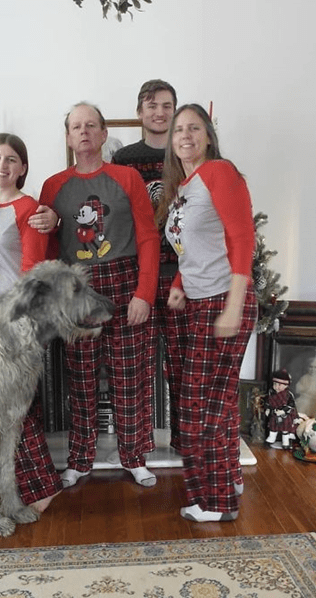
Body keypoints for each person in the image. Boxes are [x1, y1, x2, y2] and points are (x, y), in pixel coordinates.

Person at [39, 102, 160, 488]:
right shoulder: (53, 185)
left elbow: (148, 237)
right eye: (77, 126)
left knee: (130, 376)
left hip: (125, 283)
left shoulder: (127, 178)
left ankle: (134, 456)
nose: (85, 132)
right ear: (69, 136)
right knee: (82, 377)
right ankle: (80, 459)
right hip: (78, 287)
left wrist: (144, 293)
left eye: (92, 125)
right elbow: (47, 247)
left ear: (104, 134)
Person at [160, 103, 257, 523]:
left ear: (208, 135)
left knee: (202, 405)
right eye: (178, 129)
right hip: (199, 301)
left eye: (193, 127)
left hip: (224, 299)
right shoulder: (185, 185)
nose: (185, 135)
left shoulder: (219, 172)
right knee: (217, 400)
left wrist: (234, 304)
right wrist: (180, 286)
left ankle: (216, 502)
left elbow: (241, 238)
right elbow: (193, 248)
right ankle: (229, 478)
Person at [0, 132, 63, 512]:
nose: (1, 166)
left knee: (15, 408)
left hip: (16, 323)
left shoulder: (28, 209)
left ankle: (43, 488)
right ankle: (2, 482)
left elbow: (32, 276)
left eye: (10, 160)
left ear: (22, 168)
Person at [112, 79, 188, 449]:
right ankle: (137, 444)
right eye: (152, 105)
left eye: (167, 106)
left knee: (181, 362)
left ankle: (183, 439)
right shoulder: (123, 160)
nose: (159, 112)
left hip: (180, 275)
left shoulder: (187, 155)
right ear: (140, 111)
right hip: (138, 275)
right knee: (136, 365)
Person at [263, 369, 299, 449]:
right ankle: (271, 439)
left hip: (285, 416)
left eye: (279, 385)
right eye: (275, 384)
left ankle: (285, 442)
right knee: (273, 427)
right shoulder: (271, 393)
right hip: (274, 414)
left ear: (286, 386)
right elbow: (268, 402)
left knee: (285, 429)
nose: (276, 387)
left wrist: (283, 411)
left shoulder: (288, 395)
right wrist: (268, 409)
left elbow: (291, 405)